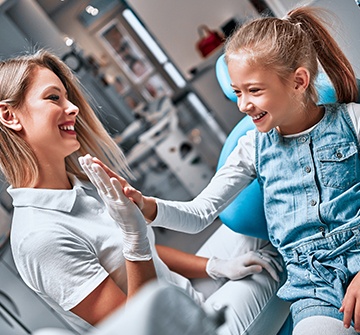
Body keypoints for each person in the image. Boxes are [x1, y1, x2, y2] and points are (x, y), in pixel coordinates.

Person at [90, 5, 360, 335]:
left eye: (254, 90)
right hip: (315, 288)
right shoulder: (252, 148)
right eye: (237, 92)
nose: (244, 105)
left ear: (299, 81)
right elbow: (199, 213)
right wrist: (145, 206)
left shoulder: (352, 120)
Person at [0, 49, 287, 335]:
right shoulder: (39, 238)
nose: (73, 107)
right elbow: (137, 329)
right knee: (289, 250)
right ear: (10, 116)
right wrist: (133, 236)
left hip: (184, 298)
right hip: (177, 330)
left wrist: (216, 266)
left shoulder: (80, 186)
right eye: (53, 98)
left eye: (67, 96)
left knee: (268, 227)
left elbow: (142, 254)